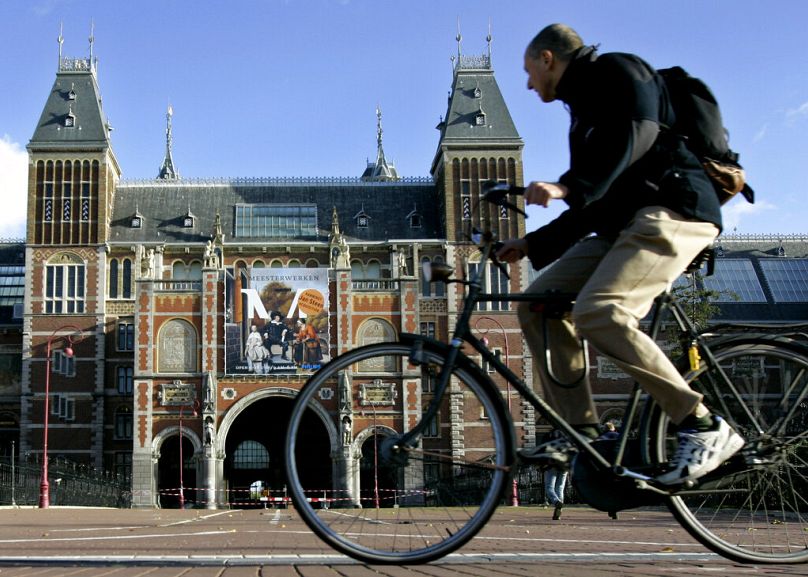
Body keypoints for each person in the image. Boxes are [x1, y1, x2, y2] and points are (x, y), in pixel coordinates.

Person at [497, 24, 743, 485]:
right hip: (624, 226)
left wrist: (571, 185)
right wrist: (533, 245)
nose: (528, 84)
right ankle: (582, 431)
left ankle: (701, 424)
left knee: (600, 312)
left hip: (674, 211)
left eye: (529, 72)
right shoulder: (581, 117)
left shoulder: (618, 70)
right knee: (537, 303)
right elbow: (595, 204)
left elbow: (640, 130)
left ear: (547, 58)